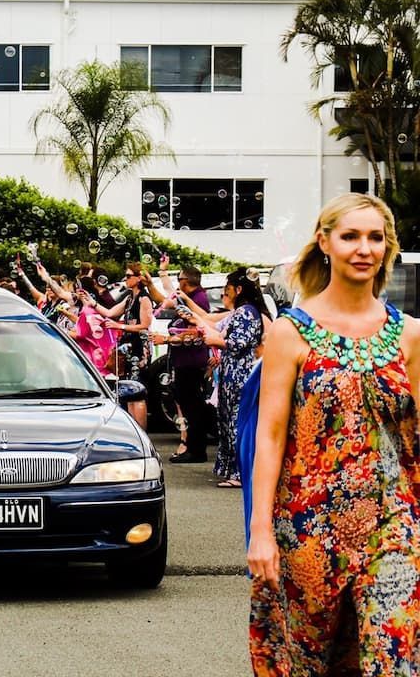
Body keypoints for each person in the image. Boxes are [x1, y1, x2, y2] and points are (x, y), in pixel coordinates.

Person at [248, 193, 420, 673]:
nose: (364, 248)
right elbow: (271, 435)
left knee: (395, 661)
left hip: (395, 527)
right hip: (308, 528)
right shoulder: (290, 333)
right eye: (350, 236)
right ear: (325, 242)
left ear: (387, 248)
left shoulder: (410, 334)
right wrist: (261, 530)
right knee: (312, 664)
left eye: (375, 237)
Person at [194, 269, 270, 488]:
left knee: (236, 422)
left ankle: (240, 473)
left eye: (227, 290)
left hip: (240, 375)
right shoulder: (243, 311)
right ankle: (234, 471)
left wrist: (215, 341)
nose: (225, 294)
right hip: (233, 373)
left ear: (238, 289)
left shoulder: (246, 312)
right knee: (229, 421)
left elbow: (238, 343)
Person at [150, 265, 213, 464]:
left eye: (179, 280)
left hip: (191, 361)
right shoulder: (190, 297)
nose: (178, 283)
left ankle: (196, 449)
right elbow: (165, 298)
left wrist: (166, 340)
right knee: (187, 404)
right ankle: (193, 447)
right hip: (184, 361)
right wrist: (156, 278)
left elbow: (196, 332)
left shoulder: (198, 299)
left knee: (193, 405)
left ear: (186, 281)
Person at [91, 263, 153, 427]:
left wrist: (120, 326)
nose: (125, 279)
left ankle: (141, 433)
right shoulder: (129, 298)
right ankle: (134, 429)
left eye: (128, 276)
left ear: (138, 278)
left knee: (136, 391)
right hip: (128, 348)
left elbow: (145, 325)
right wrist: (91, 302)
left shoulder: (144, 298)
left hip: (139, 348)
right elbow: (110, 313)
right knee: (128, 390)